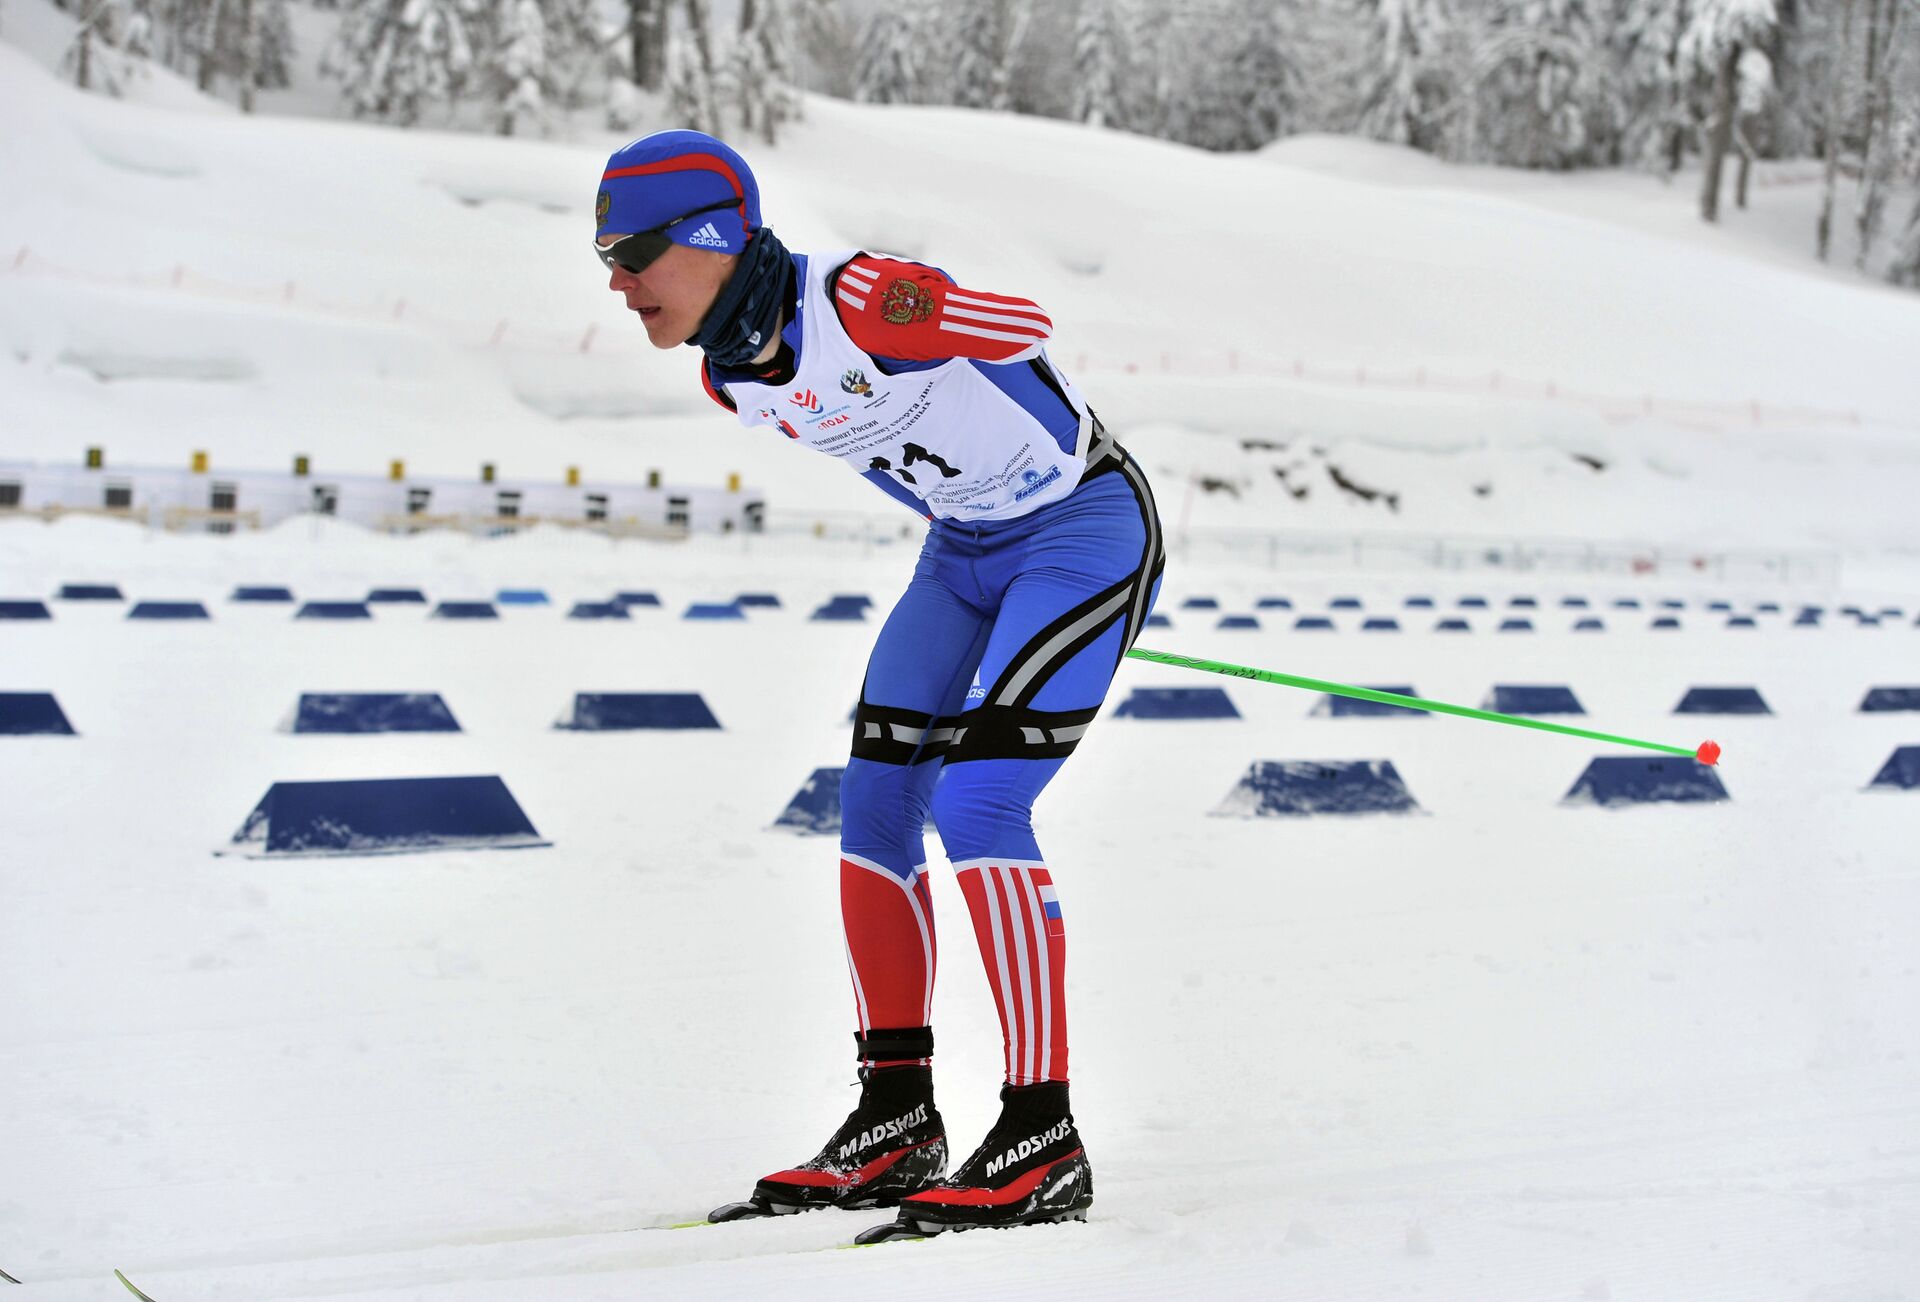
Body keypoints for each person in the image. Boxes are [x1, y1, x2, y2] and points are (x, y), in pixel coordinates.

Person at [594, 130, 1163, 1240]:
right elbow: (893, 450)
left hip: (1080, 528)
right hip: (964, 552)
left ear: (710, 236)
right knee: (875, 803)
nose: (619, 283)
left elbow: (1021, 332)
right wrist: (981, 559)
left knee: (980, 801)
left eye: (634, 254)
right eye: (605, 259)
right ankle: (896, 1116)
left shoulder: (853, 302)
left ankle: (1042, 1133)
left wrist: (915, 306)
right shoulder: (729, 377)